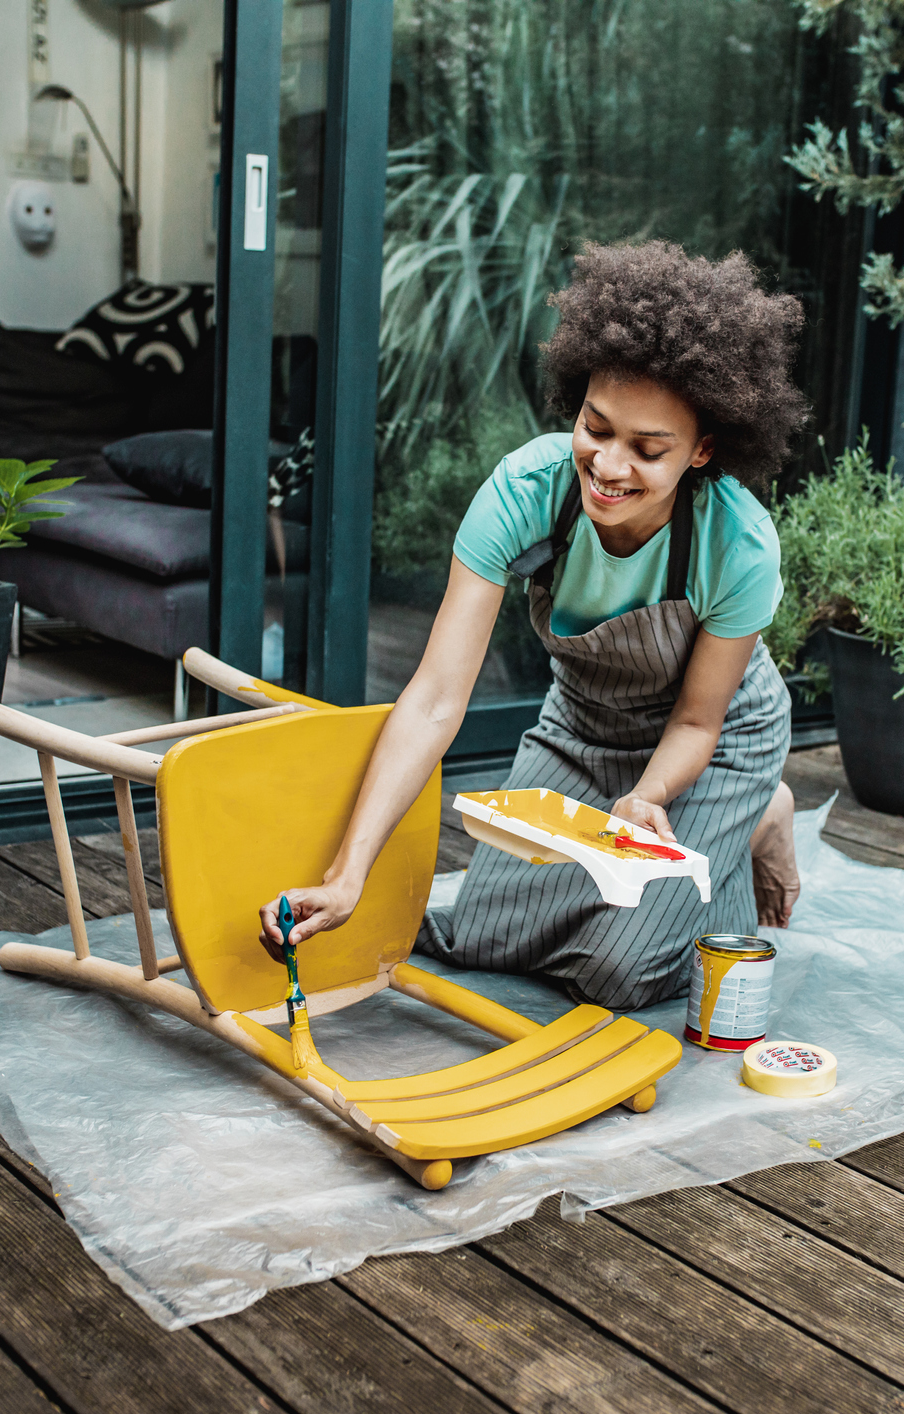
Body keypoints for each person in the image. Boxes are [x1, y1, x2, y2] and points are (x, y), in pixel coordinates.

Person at [260, 241, 806, 1009]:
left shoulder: (736, 544)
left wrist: (648, 798)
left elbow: (695, 718)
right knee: (483, 937)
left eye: (648, 450)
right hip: (582, 726)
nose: (609, 466)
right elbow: (434, 700)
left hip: (709, 746)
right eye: (596, 427)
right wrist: (348, 874)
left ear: (702, 450)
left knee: (625, 971)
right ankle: (717, 833)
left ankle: (754, 812)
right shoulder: (525, 492)